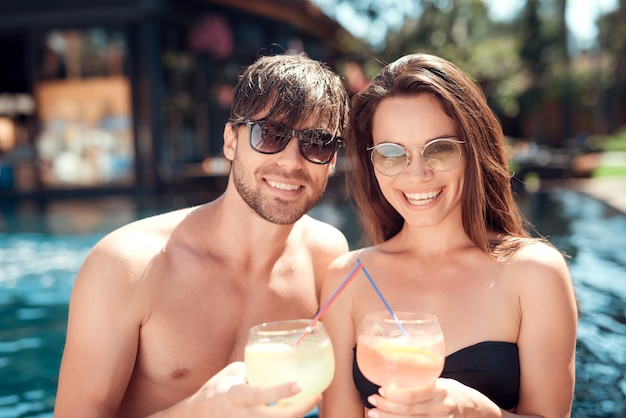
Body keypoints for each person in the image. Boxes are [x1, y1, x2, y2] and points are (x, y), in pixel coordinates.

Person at [54, 52, 350, 417]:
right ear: (230, 141)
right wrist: (198, 411)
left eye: (317, 143)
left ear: (332, 161)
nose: (291, 161)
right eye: (269, 134)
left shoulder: (327, 257)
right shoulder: (126, 265)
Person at [321, 53, 578, 417]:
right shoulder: (346, 278)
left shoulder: (535, 272)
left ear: (473, 150)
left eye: (438, 149)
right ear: (371, 162)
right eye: (392, 154)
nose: (417, 174)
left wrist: (474, 410)